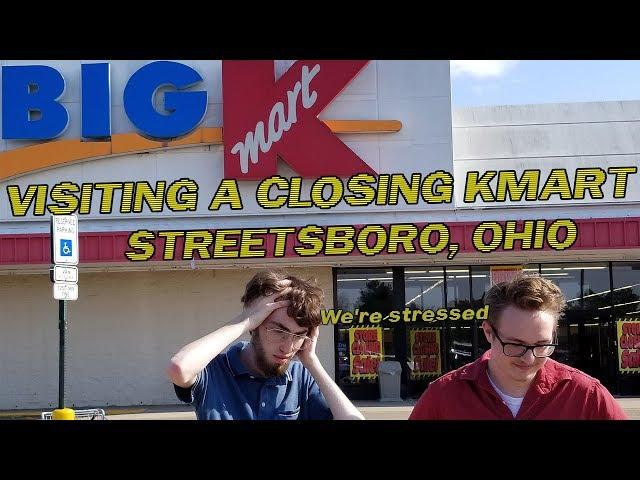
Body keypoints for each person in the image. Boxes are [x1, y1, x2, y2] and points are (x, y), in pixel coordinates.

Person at [409, 275, 627, 420]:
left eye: (542, 345)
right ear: (488, 332)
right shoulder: (443, 397)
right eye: (515, 344)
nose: (529, 359)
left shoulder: (586, 396)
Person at [166, 269, 364, 420]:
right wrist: (244, 320)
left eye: (298, 335)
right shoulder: (213, 371)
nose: (288, 348)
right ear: (255, 325)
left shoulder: (301, 377)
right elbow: (179, 368)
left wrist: (312, 361)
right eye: (279, 331)